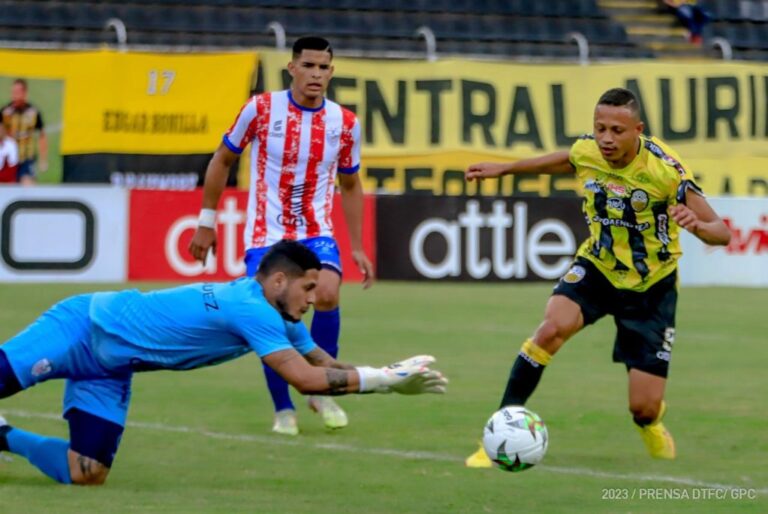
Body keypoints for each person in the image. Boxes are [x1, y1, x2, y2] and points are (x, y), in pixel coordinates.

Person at [0, 240, 447, 485]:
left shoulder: (284, 318)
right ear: (278, 280)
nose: (314, 300)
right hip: (82, 327)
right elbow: (307, 381)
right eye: (308, 289)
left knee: (87, 471)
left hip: (111, 366)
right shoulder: (250, 306)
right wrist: (382, 381)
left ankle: (3, 435)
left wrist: (387, 378)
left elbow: (326, 364)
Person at [463, 88, 731, 467]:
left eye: (617, 130)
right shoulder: (590, 151)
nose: (606, 138)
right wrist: (505, 168)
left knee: (642, 406)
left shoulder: (665, 171)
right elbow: (565, 159)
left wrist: (697, 226)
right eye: (600, 128)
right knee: (550, 330)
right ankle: (498, 433)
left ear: (638, 129)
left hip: (650, 286)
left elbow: (722, 232)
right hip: (598, 267)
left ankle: (650, 423)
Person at [188, 36, 374, 436]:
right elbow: (222, 160)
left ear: (331, 72)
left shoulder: (345, 123)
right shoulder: (260, 109)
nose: (316, 74)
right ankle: (282, 407)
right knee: (274, 314)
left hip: (316, 231)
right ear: (292, 68)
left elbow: (351, 184)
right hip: (266, 233)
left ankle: (320, 388)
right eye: (308, 66)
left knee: (326, 291)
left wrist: (357, 245)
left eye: (324, 67)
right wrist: (207, 221)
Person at [1, 78, 48, 185]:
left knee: (28, 187)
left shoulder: (33, 112)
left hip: (26, 158)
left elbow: (42, 135)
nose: (14, 96)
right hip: (9, 160)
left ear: (24, 93)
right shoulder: (5, 112)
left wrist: (43, 159)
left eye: (17, 92)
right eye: (13, 92)